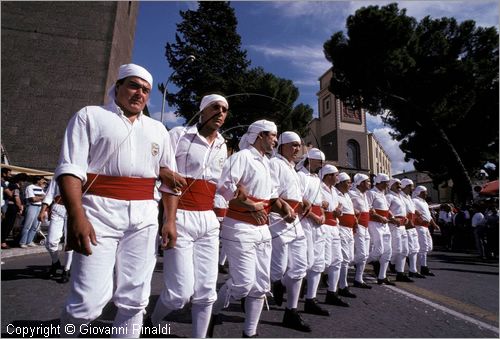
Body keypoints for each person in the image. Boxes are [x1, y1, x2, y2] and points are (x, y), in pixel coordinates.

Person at [56, 63, 178, 338]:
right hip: (98, 214)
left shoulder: (158, 130)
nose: (139, 94)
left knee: (135, 301)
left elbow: (169, 182)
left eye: (146, 90)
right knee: (87, 304)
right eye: (134, 86)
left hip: (144, 218)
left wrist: (169, 220)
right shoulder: (90, 116)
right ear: (118, 86)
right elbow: (70, 169)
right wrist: (77, 215)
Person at [149, 94, 229, 338]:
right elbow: (164, 175)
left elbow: (220, 186)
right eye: (216, 107)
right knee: (179, 293)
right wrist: (169, 220)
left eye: (225, 110)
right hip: (181, 215)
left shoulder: (223, 145)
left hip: (208, 220)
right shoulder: (179, 135)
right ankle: (152, 321)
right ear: (203, 110)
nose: (221, 113)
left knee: (206, 292)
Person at [209, 119, 282, 338]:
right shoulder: (241, 158)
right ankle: (210, 312)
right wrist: (249, 204)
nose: (276, 140)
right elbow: (224, 187)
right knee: (242, 284)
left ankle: (250, 333)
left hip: (262, 230)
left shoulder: (268, 163)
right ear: (260, 135)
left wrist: (284, 208)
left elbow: (271, 196)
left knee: (261, 285)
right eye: (272, 135)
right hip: (239, 227)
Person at [268, 131, 311, 331]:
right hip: (279, 221)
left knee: (300, 267)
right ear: (282, 145)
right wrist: (283, 208)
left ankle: (291, 311)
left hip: (295, 223)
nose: (297, 149)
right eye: (293, 145)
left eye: (299, 145)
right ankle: (269, 284)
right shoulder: (274, 164)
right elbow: (270, 194)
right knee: (279, 268)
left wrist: (305, 202)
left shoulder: (292, 168)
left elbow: (296, 195)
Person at [296, 148, 330, 316]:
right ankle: (283, 283)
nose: (321, 165)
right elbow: (299, 201)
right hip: (305, 223)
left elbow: (319, 202)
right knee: (306, 263)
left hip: (318, 224)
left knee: (318, 263)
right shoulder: (300, 176)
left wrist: (322, 215)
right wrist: (314, 217)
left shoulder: (316, 179)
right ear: (310, 160)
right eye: (319, 162)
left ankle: (311, 299)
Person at [320, 165, 349, 307]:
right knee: (324, 262)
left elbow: (338, 208)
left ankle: (332, 293)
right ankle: (302, 282)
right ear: (329, 176)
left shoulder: (334, 192)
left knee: (337, 260)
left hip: (334, 227)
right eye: (336, 175)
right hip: (323, 227)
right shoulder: (319, 188)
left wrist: (339, 211)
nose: (338, 177)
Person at [38, 179, 73, 283]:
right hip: (57, 208)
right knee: (50, 242)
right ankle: (55, 262)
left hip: (74, 209)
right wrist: (42, 211)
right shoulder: (57, 176)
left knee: (69, 243)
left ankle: (66, 269)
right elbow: (49, 194)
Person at [366, 173, 395, 285]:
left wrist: (391, 217)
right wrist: (379, 217)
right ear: (379, 182)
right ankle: (357, 262)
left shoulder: (383, 194)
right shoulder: (371, 193)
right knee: (378, 250)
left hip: (384, 225)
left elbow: (386, 210)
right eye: (386, 183)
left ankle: (382, 277)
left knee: (388, 252)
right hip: (374, 224)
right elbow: (367, 209)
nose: (387, 185)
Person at [334, 172, 358, 297]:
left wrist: (355, 219)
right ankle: (343, 286)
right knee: (343, 259)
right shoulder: (335, 194)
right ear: (341, 183)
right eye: (348, 182)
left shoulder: (347, 196)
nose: (350, 185)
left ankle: (330, 277)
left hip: (349, 230)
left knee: (349, 258)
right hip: (341, 229)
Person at [348, 173, 373, 288]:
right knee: (361, 254)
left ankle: (359, 279)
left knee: (366, 254)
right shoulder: (352, 194)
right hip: (358, 227)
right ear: (361, 183)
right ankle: (336, 268)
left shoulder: (365, 195)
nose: (370, 183)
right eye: (368, 181)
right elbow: (346, 206)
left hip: (366, 227)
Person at [386, 178, 413, 282]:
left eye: (400, 184)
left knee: (405, 250)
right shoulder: (389, 196)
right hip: (394, 226)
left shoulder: (400, 197)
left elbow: (404, 211)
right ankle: (387, 262)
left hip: (402, 226)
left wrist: (405, 218)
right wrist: (393, 219)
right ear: (391, 185)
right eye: (397, 184)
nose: (399, 185)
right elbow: (386, 210)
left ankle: (400, 273)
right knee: (396, 249)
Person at [399, 179, 425, 279]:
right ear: (405, 186)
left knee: (414, 249)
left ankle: (413, 270)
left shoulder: (409, 197)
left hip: (412, 225)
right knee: (405, 250)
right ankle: (398, 269)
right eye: (410, 186)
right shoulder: (400, 196)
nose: (412, 188)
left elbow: (413, 210)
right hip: (406, 226)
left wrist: (418, 215)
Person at [413, 186, 439, 276]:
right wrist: (419, 218)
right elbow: (413, 211)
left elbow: (429, 215)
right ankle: (424, 267)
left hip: (426, 227)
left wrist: (434, 224)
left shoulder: (424, 202)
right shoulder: (414, 200)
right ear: (419, 192)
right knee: (424, 247)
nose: (426, 193)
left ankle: (414, 260)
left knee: (429, 247)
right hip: (419, 227)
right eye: (424, 192)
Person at [1, 173, 28, 249]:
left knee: (8, 225)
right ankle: (2, 242)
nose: (24, 183)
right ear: (20, 180)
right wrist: (20, 207)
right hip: (12, 207)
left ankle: (3, 241)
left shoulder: (14, 185)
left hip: (12, 207)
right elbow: (16, 198)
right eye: (23, 181)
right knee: (7, 225)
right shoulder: (14, 186)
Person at [19, 176, 46, 248]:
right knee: (27, 225)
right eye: (42, 180)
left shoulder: (41, 188)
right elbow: (33, 199)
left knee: (35, 226)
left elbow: (45, 197)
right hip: (32, 206)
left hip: (39, 207)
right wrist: (41, 197)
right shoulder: (30, 187)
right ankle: (22, 242)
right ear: (38, 181)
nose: (43, 182)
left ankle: (29, 241)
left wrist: (38, 198)